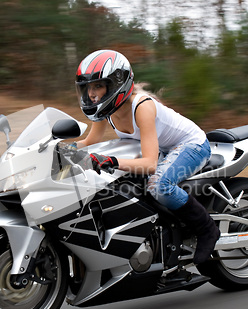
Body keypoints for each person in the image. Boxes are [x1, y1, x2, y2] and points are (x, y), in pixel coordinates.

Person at [74, 50, 220, 265]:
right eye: (88, 87)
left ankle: (207, 229)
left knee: (159, 186)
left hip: (191, 145)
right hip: (164, 149)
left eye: (98, 85)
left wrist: (112, 162)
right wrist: (55, 149)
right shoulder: (106, 109)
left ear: (116, 83)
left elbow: (150, 164)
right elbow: (89, 142)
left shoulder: (142, 107)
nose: (92, 93)